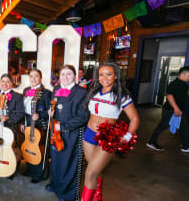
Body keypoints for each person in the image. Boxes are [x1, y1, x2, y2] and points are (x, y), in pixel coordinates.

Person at [81, 62, 139, 201]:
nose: (104, 78)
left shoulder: (122, 96)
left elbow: (135, 119)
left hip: (107, 137)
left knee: (89, 174)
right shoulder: (93, 91)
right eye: (101, 74)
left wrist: (126, 137)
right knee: (95, 170)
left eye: (109, 74)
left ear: (116, 76)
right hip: (89, 134)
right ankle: (97, 195)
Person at [44, 65, 89, 201]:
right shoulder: (56, 89)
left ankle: (67, 194)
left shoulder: (82, 92)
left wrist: (63, 127)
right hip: (56, 130)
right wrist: (50, 112)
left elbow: (83, 116)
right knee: (56, 160)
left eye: (69, 74)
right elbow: (54, 105)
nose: (65, 77)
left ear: (75, 76)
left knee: (69, 163)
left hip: (72, 132)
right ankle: (55, 185)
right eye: (63, 74)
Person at [146, 66, 189, 153]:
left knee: (184, 127)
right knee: (162, 126)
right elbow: (169, 96)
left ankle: (185, 146)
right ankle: (151, 142)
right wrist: (176, 109)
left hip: (178, 111)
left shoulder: (184, 84)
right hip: (170, 110)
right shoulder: (174, 83)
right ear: (183, 74)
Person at [0, 73, 24, 178]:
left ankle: (10, 170)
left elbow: (20, 113)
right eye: (3, 81)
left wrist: (8, 118)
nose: (5, 84)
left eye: (7, 82)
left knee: (9, 149)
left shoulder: (18, 96)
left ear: (12, 84)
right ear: (0, 82)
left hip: (10, 125)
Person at [21, 69, 52, 183]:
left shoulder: (47, 93)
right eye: (31, 76)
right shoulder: (26, 90)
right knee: (29, 144)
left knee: (39, 147)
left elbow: (50, 110)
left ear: (41, 78)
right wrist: (23, 123)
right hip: (28, 120)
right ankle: (30, 169)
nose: (33, 79)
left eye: (36, 76)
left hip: (40, 122)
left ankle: (40, 173)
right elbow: (23, 109)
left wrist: (40, 115)